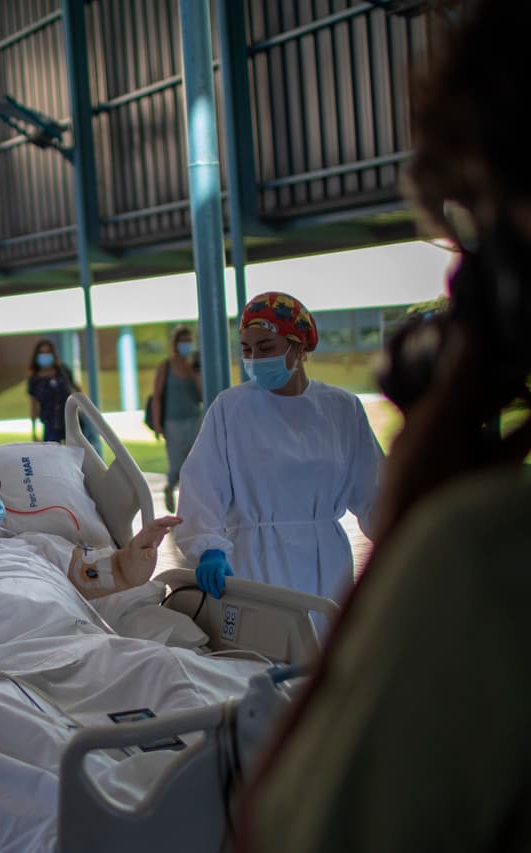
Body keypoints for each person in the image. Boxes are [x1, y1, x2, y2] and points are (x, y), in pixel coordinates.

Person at [240, 2, 531, 850]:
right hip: (267, 574)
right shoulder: (228, 410)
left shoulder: (483, 559)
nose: (255, 354)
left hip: (331, 586)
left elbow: (287, 824)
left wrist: (415, 522)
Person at [174, 292, 382, 602]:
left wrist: (405, 544)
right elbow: (203, 485)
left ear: (298, 347)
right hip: (255, 561)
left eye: (266, 348)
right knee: (264, 643)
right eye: (246, 349)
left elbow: (376, 493)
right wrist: (209, 547)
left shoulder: (341, 409)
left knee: (323, 643)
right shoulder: (231, 409)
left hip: (326, 563)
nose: (255, 359)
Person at [0, 453, 182, 602]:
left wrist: (139, 550)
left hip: (68, 638)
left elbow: (117, 573)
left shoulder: (36, 545)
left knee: (161, 667)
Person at [150, 325, 203, 513]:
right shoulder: (166, 366)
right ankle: (170, 487)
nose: (187, 345)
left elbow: (200, 396)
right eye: (183, 341)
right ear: (176, 343)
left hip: (194, 418)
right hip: (173, 421)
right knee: (176, 463)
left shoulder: (194, 366)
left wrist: (197, 374)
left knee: (195, 460)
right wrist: (157, 423)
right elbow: (157, 395)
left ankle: (192, 501)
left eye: (189, 341)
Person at [26, 338, 80, 443]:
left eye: (48, 352)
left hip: (71, 422)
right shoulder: (35, 379)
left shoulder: (63, 372)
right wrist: (34, 431)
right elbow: (34, 405)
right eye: (42, 353)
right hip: (50, 424)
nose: (45, 356)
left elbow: (76, 390)